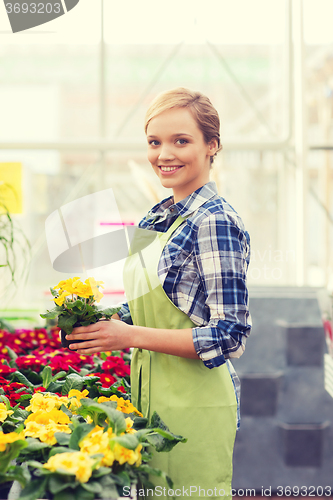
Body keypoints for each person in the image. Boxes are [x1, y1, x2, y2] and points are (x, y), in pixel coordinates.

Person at [65, 87, 252, 499]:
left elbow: (229, 334)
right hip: (150, 398)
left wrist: (127, 337)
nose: (164, 154)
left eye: (180, 141)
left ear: (212, 146)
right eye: (155, 142)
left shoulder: (215, 222)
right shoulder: (158, 215)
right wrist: (100, 320)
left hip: (196, 407)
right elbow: (154, 303)